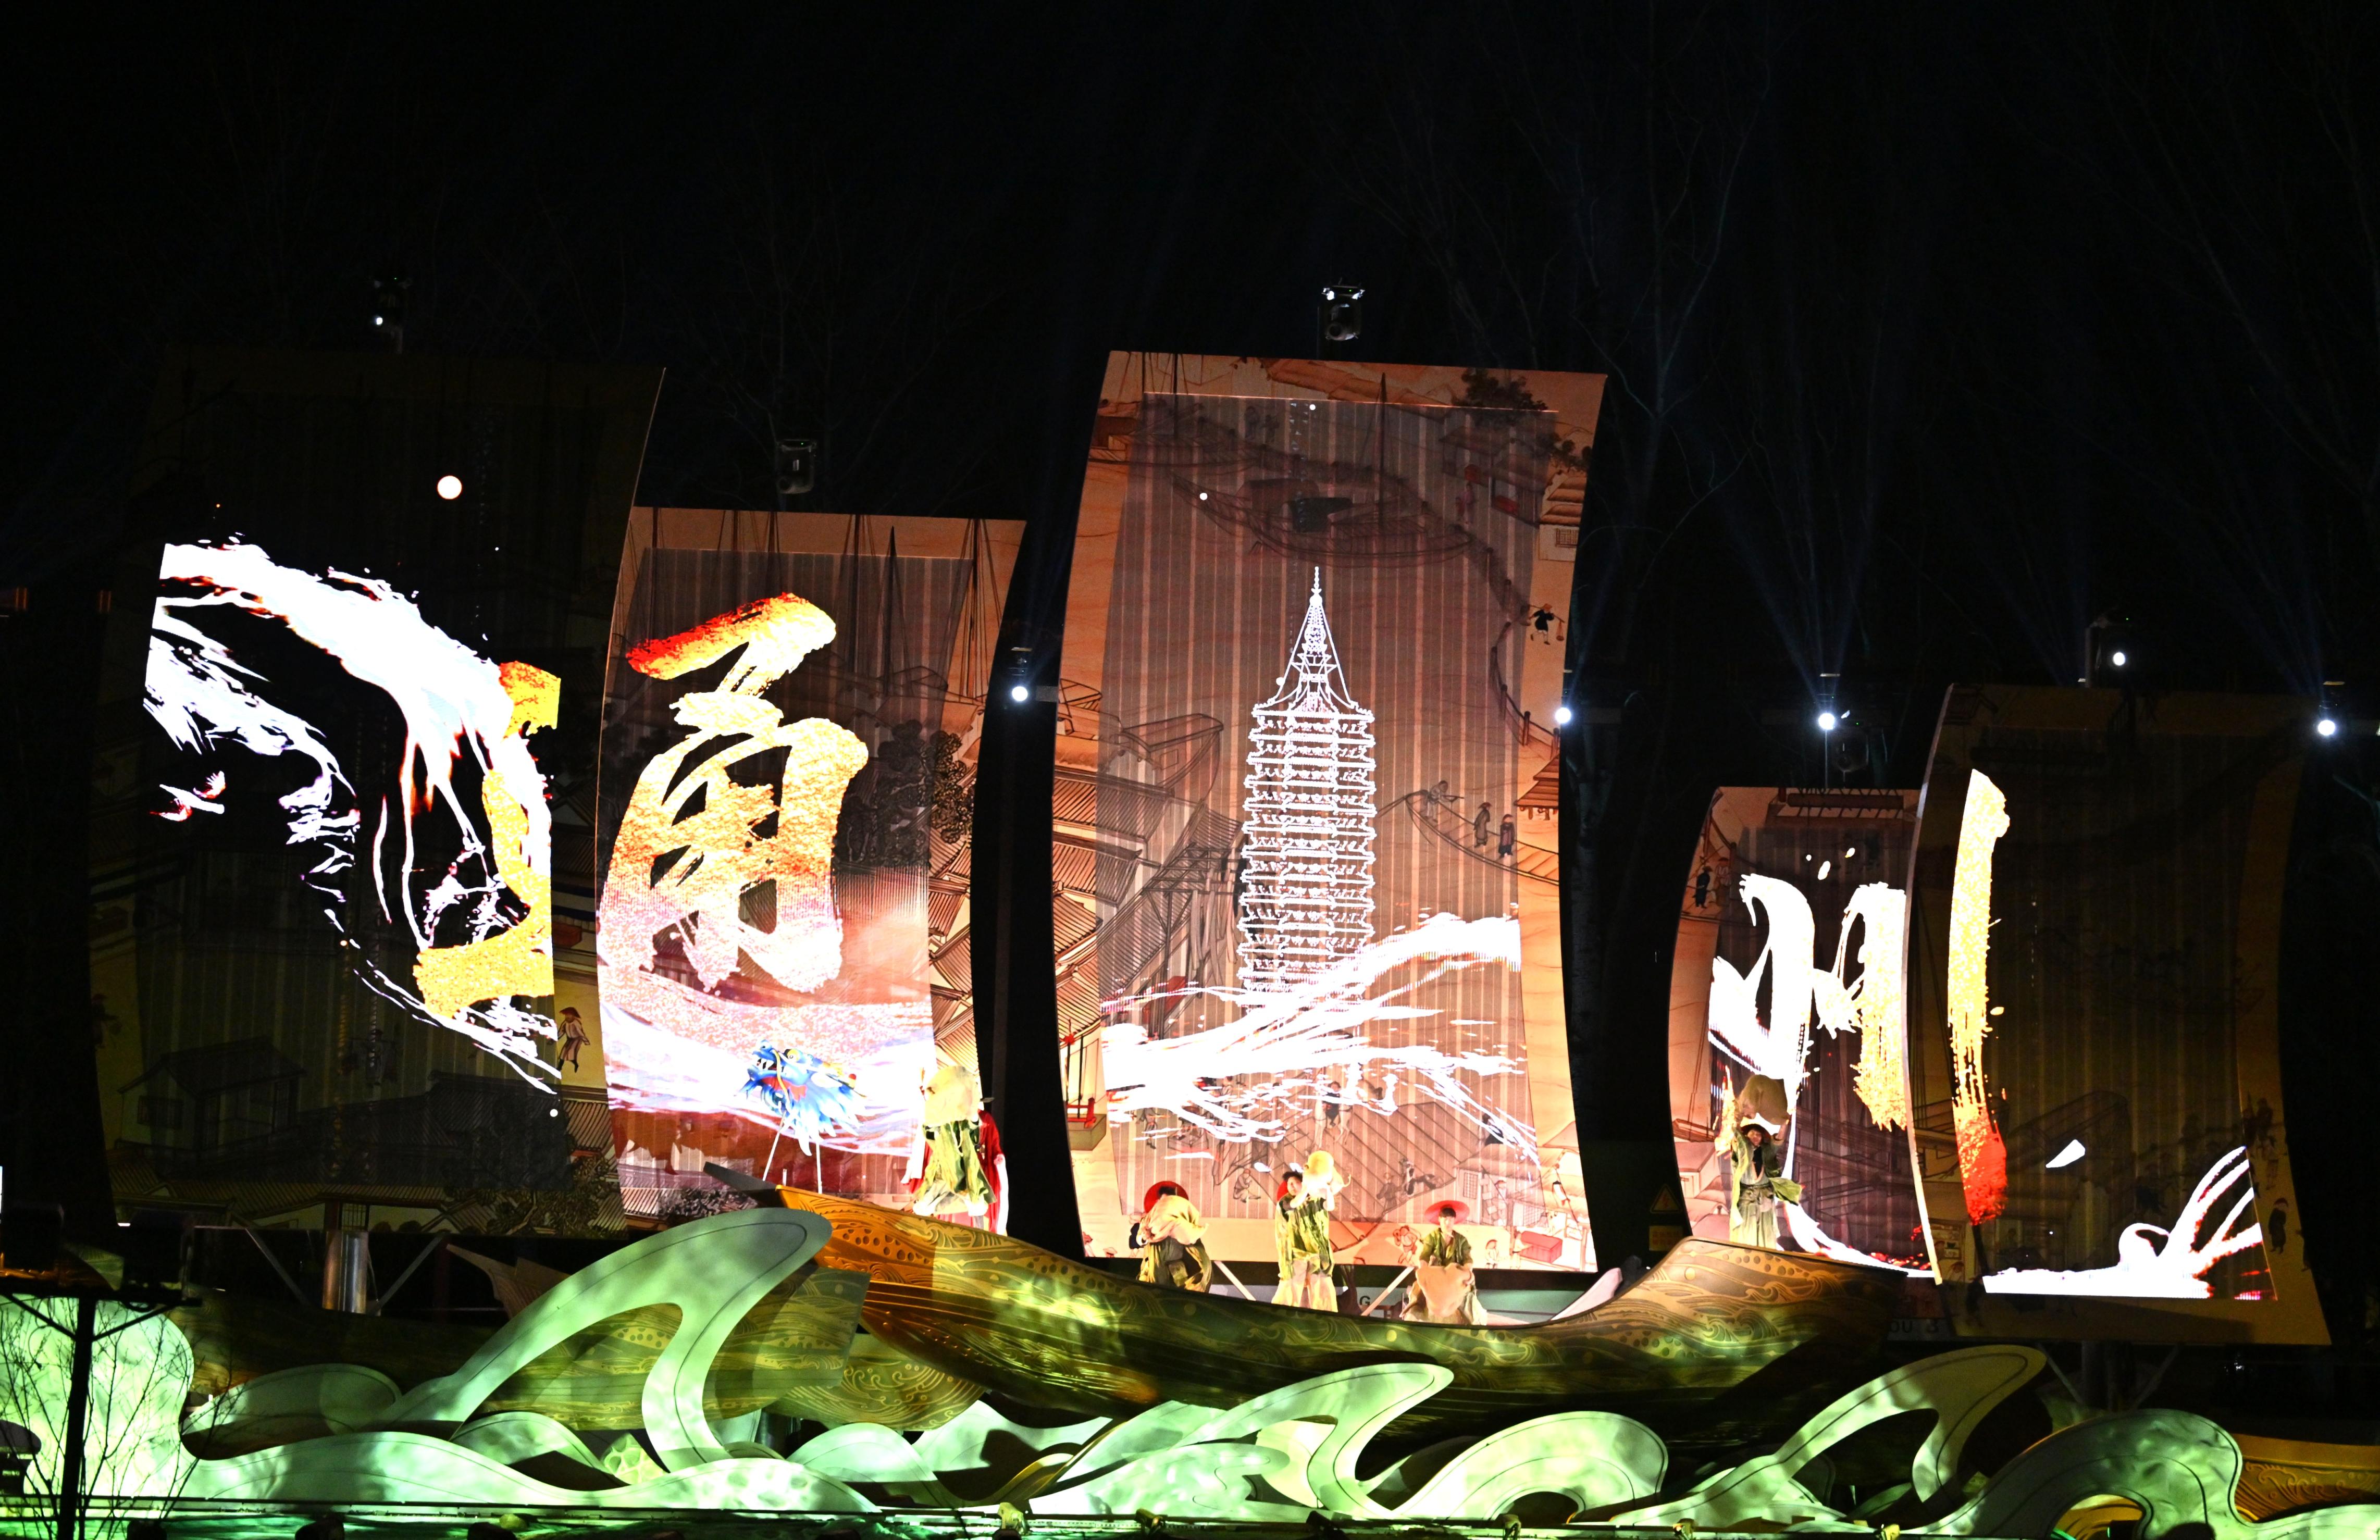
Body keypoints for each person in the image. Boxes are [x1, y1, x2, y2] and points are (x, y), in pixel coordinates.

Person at [1275, 1154, 1340, 1310]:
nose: (1292, 1186)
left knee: (1323, 1286)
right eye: (1290, 1184)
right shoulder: (1286, 1201)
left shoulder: (1317, 1199)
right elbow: (1294, 1204)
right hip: (1295, 1252)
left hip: (1318, 1251)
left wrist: (1326, 1190)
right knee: (1291, 1285)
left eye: (1296, 1183)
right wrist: (1306, 1188)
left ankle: (1327, 1317)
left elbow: (1330, 1206)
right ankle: (1280, 1315)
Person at [1726, 1117, 1801, 1249]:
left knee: (1765, 1234)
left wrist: (1785, 1122)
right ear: (1746, 1136)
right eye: (1753, 1134)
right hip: (1747, 1200)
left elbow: (1778, 1140)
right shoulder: (1742, 1151)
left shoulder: (1767, 1151)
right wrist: (1736, 1121)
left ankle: (1766, 1255)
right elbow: (1737, 1140)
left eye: (1758, 1135)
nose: (1756, 1137)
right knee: (1746, 1234)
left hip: (1765, 1199)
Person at [1408, 1200, 1483, 1324]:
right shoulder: (1432, 1237)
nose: (1448, 1223)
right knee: (1418, 1289)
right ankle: (1413, 1316)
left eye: (1451, 1220)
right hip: (1436, 1276)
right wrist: (1424, 1271)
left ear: (1454, 1221)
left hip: (1455, 1277)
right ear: (1440, 1220)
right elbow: (1425, 1255)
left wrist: (1467, 1274)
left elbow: (1467, 1259)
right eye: (1445, 1220)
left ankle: (1475, 1322)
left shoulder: (1461, 1240)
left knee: (1468, 1295)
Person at [1135, 1181, 1213, 1291]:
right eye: (1164, 1201)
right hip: (1153, 1266)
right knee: (1147, 1291)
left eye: (1171, 1201)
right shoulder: (1149, 1221)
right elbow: (1139, 1240)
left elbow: (1192, 1241)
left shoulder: (1184, 1223)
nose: (1168, 1205)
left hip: (1177, 1268)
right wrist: (1145, 1236)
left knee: (1182, 1294)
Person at [557, 1006, 588, 1072]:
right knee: (563, 1053)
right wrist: (555, 1038)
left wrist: (586, 1041)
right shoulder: (565, 1023)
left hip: (577, 1040)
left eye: (569, 1015)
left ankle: (576, 1065)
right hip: (569, 1040)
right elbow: (562, 1031)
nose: (567, 1017)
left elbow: (581, 1033)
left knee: (571, 1054)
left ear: (573, 1015)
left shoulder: (576, 1023)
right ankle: (559, 1068)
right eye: (566, 1015)